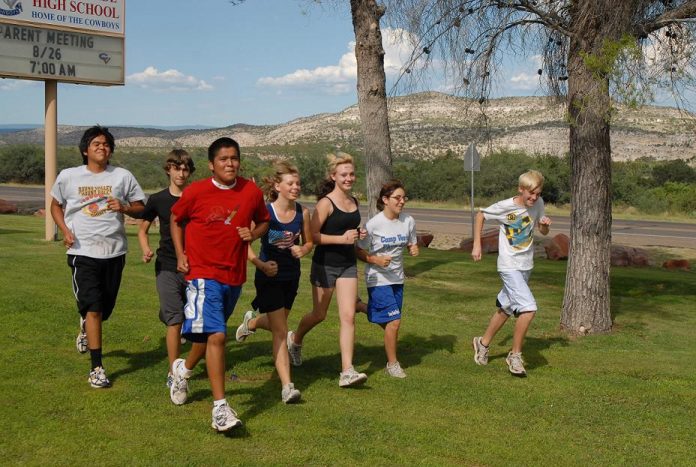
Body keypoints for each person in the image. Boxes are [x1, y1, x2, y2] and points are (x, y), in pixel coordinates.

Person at [169, 137, 269, 432]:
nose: (230, 163)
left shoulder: (251, 192)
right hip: (202, 274)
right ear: (211, 165)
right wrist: (180, 254)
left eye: (234, 158)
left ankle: (182, 371)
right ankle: (220, 409)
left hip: (234, 276)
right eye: (223, 159)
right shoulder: (197, 191)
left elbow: (263, 221)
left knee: (207, 338)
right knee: (217, 337)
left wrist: (254, 234)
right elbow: (176, 219)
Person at [50, 125, 145, 388]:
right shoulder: (69, 176)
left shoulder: (122, 176)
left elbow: (140, 208)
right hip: (82, 251)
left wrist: (124, 207)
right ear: (85, 150)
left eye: (106, 144)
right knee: (94, 307)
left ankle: (85, 326)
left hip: (114, 251)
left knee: (104, 310)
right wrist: (65, 230)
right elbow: (55, 205)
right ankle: (97, 367)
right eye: (96, 144)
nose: (102, 147)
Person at [286, 152, 368, 388]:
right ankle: (295, 338)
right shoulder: (325, 203)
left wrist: (357, 234)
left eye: (352, 174)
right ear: (333, 176)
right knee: (319, 315)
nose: (349, 178)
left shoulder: (354, 202)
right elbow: (311, 236)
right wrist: (342, 239)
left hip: (348, 265)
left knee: (348, 316)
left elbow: (349, 228)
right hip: (325, 265)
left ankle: (347, 371)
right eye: (344, 174)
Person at [235, 160, 313, 404]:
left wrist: (304, 249)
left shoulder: (303, 212)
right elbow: (244, 244)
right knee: (280, 331)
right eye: (290, 183)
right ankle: (287, 386)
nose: (296, 187)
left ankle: (253, 322)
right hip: (268, 276)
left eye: (298, 183)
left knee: (279, 322)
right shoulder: (265, 213)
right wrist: (261, 265)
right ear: (278, 186)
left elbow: (310, 242)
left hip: (292, 276)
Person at [471, 170, 552, 377]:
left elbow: (542, 232)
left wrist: (543, 227)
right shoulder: (505, 206)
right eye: (530, 194)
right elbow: (481, 215)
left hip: (526, 265)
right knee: (529, 308)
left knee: (506, 308)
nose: (534, 198)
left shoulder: (539, 204)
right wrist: (477, 245)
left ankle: (482, 343)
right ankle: (515, 355)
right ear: (521, 189)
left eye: (538, 194)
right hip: (508, 266)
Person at [137, 149, 195, 390]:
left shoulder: (196, 197)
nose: (181, 173)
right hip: (167, 266)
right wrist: (145, 249)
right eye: (177, 168)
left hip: (194, 266)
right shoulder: (158, 199)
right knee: (175, 320)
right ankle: (174, 372)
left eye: (185, 169)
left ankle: (168, 313)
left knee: (188, 318)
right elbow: (142, 229)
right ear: (168, 169)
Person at [356, 180, 419, 378]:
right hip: (377, 278)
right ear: (385, 200)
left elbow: (411, 243)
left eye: (404, 198)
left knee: (390, 320)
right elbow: (358, 250)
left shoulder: (408, 221)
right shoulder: (374, 224)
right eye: (397, 198)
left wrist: (413, 248)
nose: (402, 202)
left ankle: (360, 307)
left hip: (397, 278)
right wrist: (374, 259)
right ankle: (392, 364)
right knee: (394, 322)